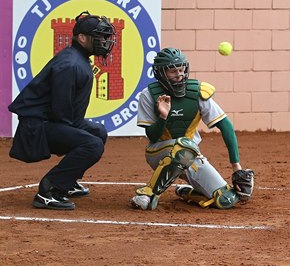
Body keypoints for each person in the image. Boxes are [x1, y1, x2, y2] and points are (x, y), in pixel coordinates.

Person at [8, 11, 115, 210]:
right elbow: (61, 112)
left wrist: (77, 132)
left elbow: (67, 115)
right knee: (92, 144)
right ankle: (49, 190)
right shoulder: (70, 64)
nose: (105, 41)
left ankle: (68, 180)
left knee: (98, 132)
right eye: (99, 36)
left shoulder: (77, 58)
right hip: (37, 127)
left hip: (50, 121)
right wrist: (76, 135)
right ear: (82, 38)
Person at [130, 47, 254, 211]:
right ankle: (148, 193)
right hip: (158, 152)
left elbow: (225, 125)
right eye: (173, 71)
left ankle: (187, 192)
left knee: (225, 199)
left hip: (191, 154)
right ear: (161, 73)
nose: (179, 74)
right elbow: (152, 136)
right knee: (185, 146)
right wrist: (163, 116)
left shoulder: (197, 92)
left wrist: (236, 166)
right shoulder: (149, 95)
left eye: (181, 69)